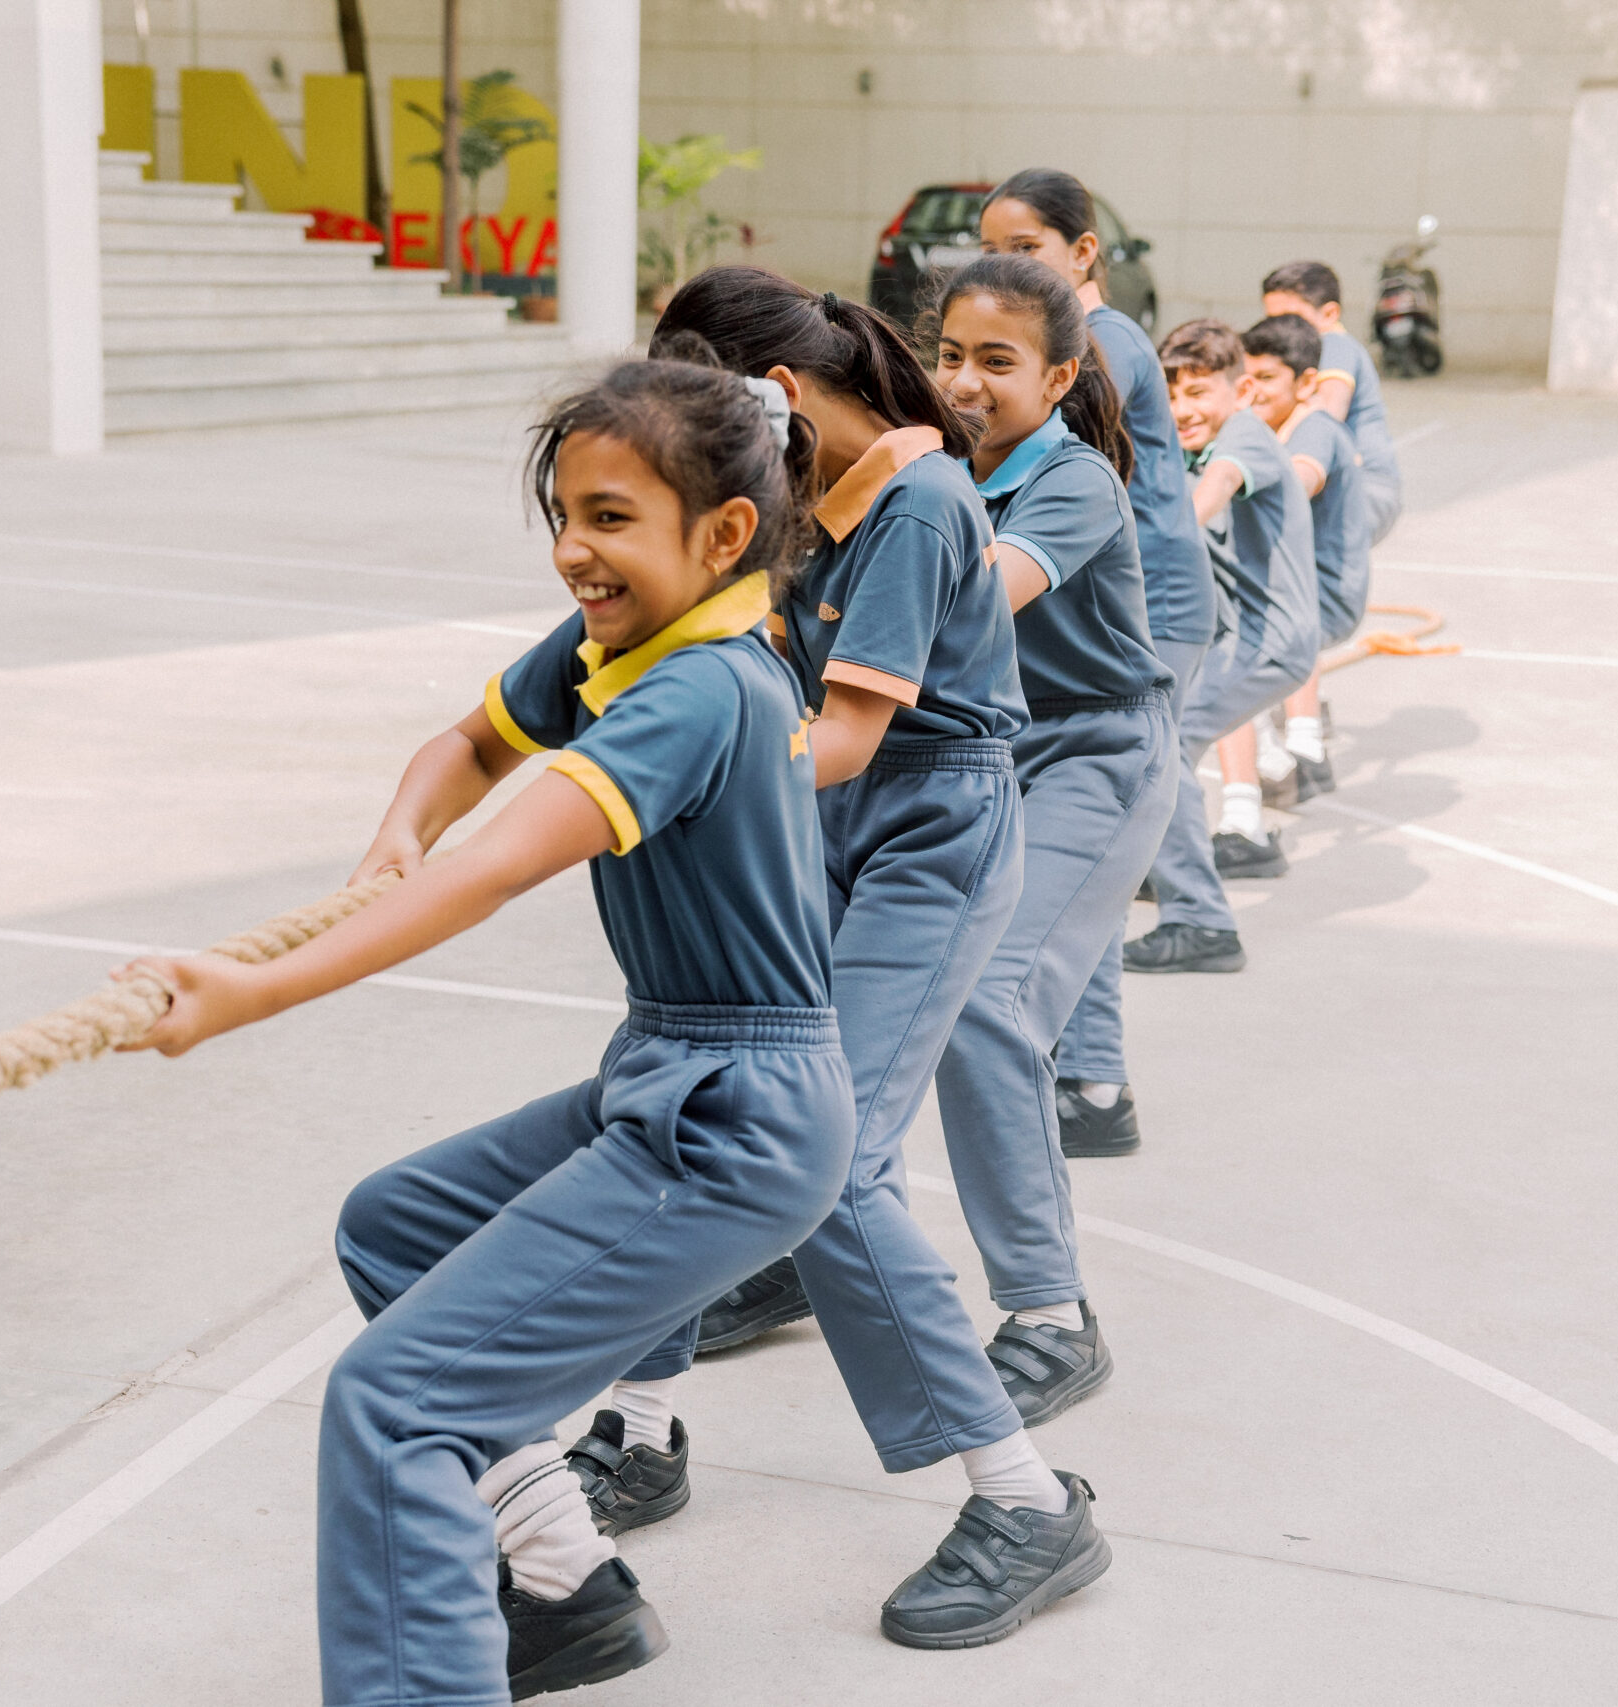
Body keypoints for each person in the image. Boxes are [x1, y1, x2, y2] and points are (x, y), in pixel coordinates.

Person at [115, 358, 854, 1703]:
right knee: (395, 1224)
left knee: (397, 1405)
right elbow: (466, 750)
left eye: (611, 517)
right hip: (673, 1071)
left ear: (725, 534)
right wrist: (399, 833)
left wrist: (247, 991)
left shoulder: (702, 689)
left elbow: (499, 865)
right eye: (564, 513)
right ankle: (567, 1581)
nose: (574, 548)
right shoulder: (621, 643)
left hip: (737, 1116)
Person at [564, 266, 1109, 1652]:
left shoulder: (918, 501)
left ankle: (1026, 1499)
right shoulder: (789, 493)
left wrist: (675, 775)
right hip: (823, 819)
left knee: (835, 1156)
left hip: (931, 831)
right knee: (694, 1099)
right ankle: (640, 1427)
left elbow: (852, 737)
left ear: (776, 396)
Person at [928, 253, 1176, 1422]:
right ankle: (792, 1243)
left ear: (1059, 376)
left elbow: (974, 594)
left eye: (996, 360)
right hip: (980, 754)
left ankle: (1049, 1314)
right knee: (828, 991)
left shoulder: (1073, 481)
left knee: (987, 1005)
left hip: (1093, 756)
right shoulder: (941, 468)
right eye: (948, 355)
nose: (963, 380)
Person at [973, 168, 1212, 1161]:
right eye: (989, 251)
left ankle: (1097, 1071)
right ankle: (1093, 1078)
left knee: (1097, 850)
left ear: (1082, 253)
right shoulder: (1054, 348)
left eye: (1024, 249)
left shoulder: (1099, 344)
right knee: (1082, 872)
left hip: (1146, 619)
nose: (1003, 268)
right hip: (1092, 625)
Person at [1117, 318, 1322, 982]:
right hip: (1237, 638)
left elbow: (1204, 501)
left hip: (1271, 642)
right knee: (1162, 743)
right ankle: (1170, 867)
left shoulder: (1245, 438)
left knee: (1167, 745)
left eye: (1199, 391)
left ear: (1242, 391)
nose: (1183, 409)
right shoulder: (1196, 444)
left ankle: (1202, 919)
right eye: (1172, 394)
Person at [1242, 312, 1370, 800]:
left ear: (1306, 382)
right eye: (1246, 378)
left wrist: (1230, 481)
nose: (1253, 391)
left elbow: (1302, 479)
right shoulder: (1277, 425)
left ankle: (1272, 765)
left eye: (1266, 378)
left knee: (1226, 643)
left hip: (1323, 596)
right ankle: (1301, 750)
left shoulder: (1314, 428)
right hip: (1304, 590)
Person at [1262, 259, 1403, 546]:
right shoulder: (1296, 351)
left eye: (1291, 320)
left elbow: (1327, 411)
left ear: (1329, 314)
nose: (1281, 331)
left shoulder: (1334, 344)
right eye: (1272, 321)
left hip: (1364, 488)